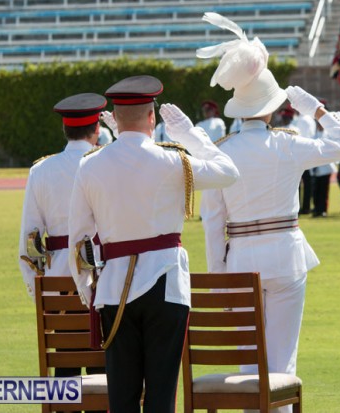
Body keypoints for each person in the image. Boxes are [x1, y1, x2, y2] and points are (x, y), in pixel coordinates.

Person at [196, 13, 340, 413]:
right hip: (286, 257)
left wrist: (219, 278)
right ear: (272, 109)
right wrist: (317, 110)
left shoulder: (222, 151)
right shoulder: (288, 144)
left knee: (248, 364)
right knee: (282, 364)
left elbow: (213, 223)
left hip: (240, 261)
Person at [68, 75, 239, 413]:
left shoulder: (90, 165)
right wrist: (189, 135)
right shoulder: (174, 160)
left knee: (122, 396)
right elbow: (228, 172)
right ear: (152, 118)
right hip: (166, 285)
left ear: (115, 120)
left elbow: (79, 241)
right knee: (161, 395)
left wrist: (89, 292)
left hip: (113, 288)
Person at [18, 93, 107, 384]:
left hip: (59, 284)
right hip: (105, 279)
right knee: (103, 371)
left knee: (65, 370)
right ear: (97, 129)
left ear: (64, 129)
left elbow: (29, 240)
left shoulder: (41, 170)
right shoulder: (105, 163)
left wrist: (40, 291)